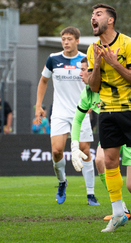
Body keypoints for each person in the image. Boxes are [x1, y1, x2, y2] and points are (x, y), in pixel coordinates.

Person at [87, 4, 131, 233]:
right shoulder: (92, 49)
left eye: (98, 14)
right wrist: (98, 63)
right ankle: (118, 213)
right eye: (92, 15)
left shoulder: (128, 44)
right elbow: (94, 85)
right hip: (107, 111)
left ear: (110, 20)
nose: (93, 18)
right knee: (108, 162)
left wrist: (114, 63)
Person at [71, 57, 131, 219]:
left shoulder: (110, 86)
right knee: (99, 160)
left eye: (84, 70)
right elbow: (76, 120)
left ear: (95, 71)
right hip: (111, 134)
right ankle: (121, 208)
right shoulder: (87, 94)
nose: (80, 74)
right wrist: (74, 146)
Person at [35, 26, 98, 205]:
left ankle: (90, 194)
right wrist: (38, 105)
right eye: (63, 39)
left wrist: (92, 101)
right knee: (56, 151)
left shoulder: (86, 59)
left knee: (85, 151)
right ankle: (62, 182)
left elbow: (94, 82)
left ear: (77, 41)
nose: (66, 42)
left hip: (81, 111)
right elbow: (43, 81)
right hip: (60, 112)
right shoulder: (53, 59)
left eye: (69, 39)